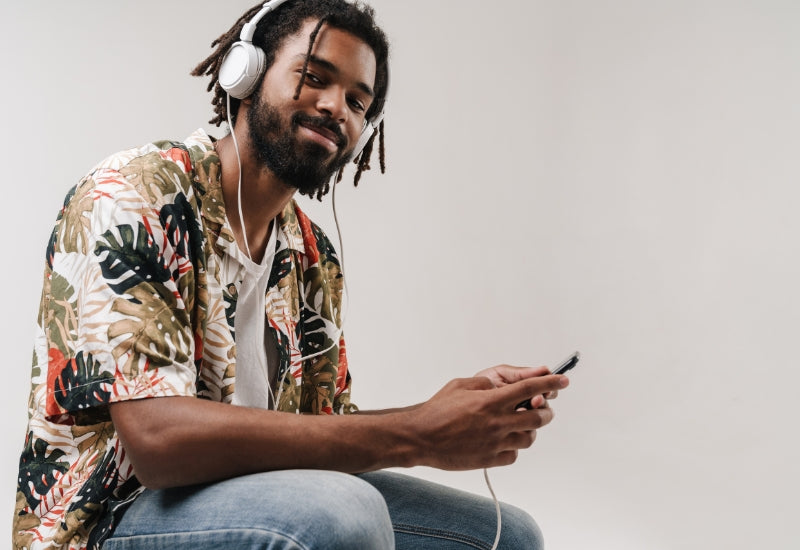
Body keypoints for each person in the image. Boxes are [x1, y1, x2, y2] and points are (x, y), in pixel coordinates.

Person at [13, 1, 569, 548]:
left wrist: (443, 414)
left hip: (260, 501)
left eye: (358, 100)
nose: (336, 107)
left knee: (508, 536)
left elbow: (326, 432)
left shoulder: (310, 255)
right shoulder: (135, 194)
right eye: (314, 77)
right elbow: (158, 442)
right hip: (109, 519)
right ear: (246, 73)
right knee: (341, 514)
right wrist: (417, 432)